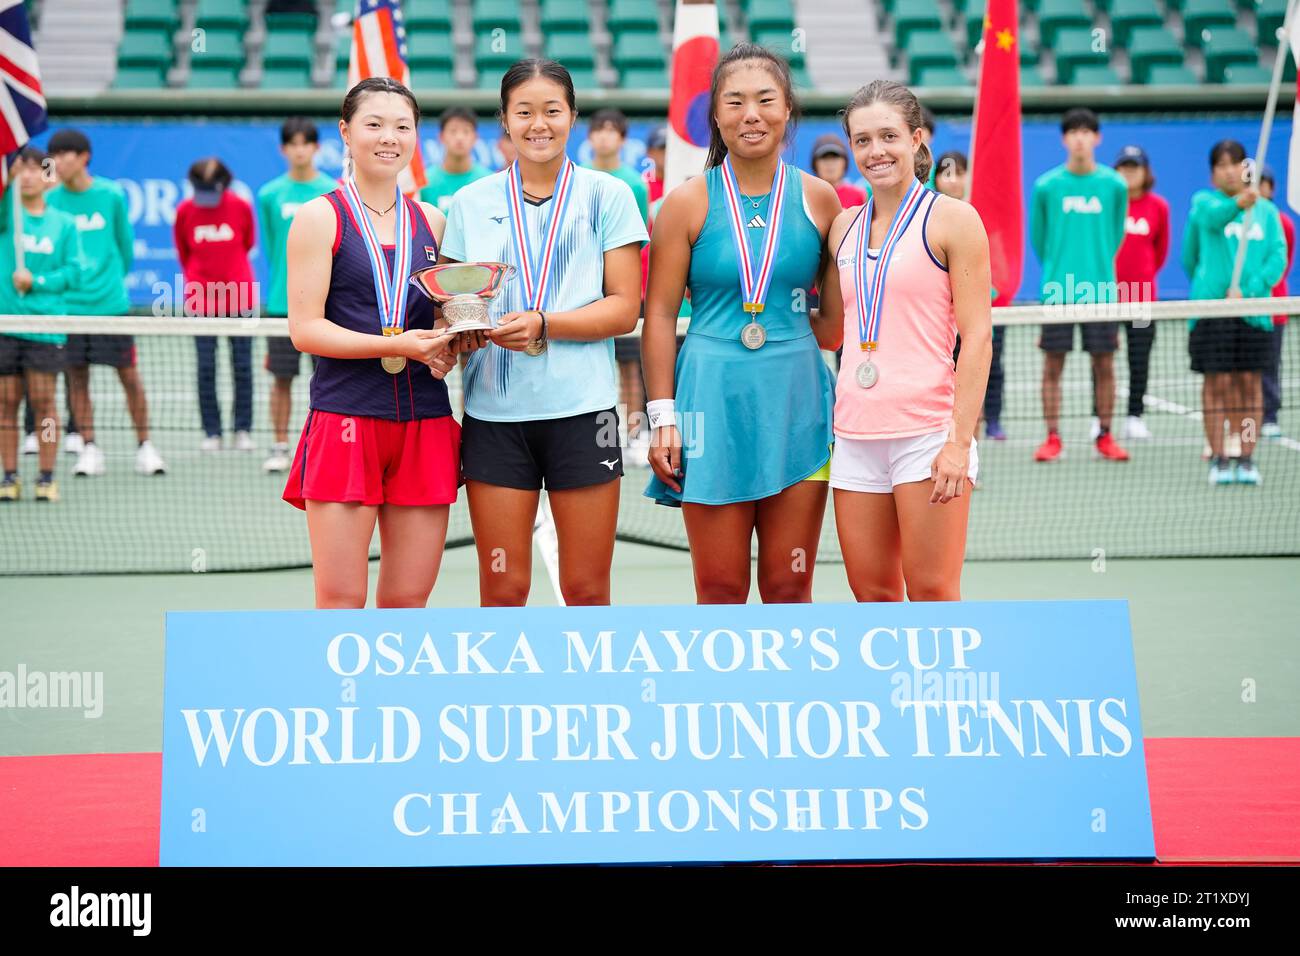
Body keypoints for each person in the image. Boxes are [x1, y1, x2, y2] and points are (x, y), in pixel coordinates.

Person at [440, 59, 647, 607]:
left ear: (572, 117)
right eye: (524, 112)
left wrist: (545, 324)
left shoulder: (610, 195)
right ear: (504, 122)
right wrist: (457, 333)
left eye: (552, 111)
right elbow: (454, 307)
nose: (539, 124)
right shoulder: (468, 204)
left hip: (587, 415)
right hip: (494, 420)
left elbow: (625, 309)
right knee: (504, 588)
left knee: (585, 588)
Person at [643, 43, 841, 604]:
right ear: (715, 116)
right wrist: (662, 418)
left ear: (787, 111)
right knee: (720, 586)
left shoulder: (822, 201)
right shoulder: (684, 204)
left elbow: (831, 331)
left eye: (765, 100)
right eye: (734, 102)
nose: (750, 114)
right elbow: (657, 314)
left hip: (798, 401)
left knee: (789, 584)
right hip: (709, 401)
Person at [282, 77, 461, 608]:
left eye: (402, 126)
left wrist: (458, 340)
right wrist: (403, 345)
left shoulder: (433, 221)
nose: (390, 137)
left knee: (407, 604)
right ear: (345, 132)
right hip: (346, 421)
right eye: (374, 124)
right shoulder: (319, 217)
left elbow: (441, 320)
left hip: (425, 423)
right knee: (339, 602)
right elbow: (305, 330)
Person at [817, 82, 991, 601]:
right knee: (873, 597)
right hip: (854, 437)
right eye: (863, 140)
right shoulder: (843, 227)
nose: (876, 152)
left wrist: (958, 443)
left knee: (933, 592)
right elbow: (830, 326)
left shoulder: (956, 220)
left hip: (927, 436)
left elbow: (978, 336)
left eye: (889, 136)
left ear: (916, 139)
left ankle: (942, 688)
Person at [45, 129, 166, 477]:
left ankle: (145, 446)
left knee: (129, 377)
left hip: (110, 306)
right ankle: (89, 446)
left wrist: (107, 283)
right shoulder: (51, 200)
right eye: (54, 155)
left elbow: (124, 247)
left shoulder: (110, 195)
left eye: (65, 154)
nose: (58, 162)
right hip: (69, 309)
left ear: (83, 157)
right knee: (76, 380)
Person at [1183, 139, 1287, 486]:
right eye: (1221, 165)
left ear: (1246, 168)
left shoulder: (1267, 212)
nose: (1229, 171)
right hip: (1212, 313)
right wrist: (1212, 287)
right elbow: (1191, 254)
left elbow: (1277, 258)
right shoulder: (1203, 203)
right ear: (1213, 173)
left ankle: (1245, 456)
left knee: (1248, 386)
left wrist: (1251, 288)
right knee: (1217, 384)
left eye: (1234, 164)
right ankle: (1218, 457)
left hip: (1253, 312)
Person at [1031, 107, 1130, 463]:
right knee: (1052, 366)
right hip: (1058, 291)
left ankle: (1105, 435)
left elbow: (1115, 235)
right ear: (1064, 139)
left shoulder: (1115, 185)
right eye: (1073, 132)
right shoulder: (1046, 186)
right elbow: (1040, 240)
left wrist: (1096, 267)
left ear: (1097, 138)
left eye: (1087, 132)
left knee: (1104, 365)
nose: (1080, 138)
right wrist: (1063, 271)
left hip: (1101, 291)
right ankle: (1052, 437)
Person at [0, 148, 85, 503]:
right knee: (6, 403)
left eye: (37, 169)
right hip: (7, 325)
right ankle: (9, 476)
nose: (30, 176)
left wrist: (36, 282)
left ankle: (46, 476)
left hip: (45, 327)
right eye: (22, 169)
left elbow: (74, 273)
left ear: (47, 176)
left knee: (44, 402)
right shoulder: (5, 216)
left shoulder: (63, 224)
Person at [256, 118, 340, 473]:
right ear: (283, 149)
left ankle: (323, 446)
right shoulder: (268, 195)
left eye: (306, 143)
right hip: (281, 303)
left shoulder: (334, 190)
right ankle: (280, 445)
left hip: (327, 306)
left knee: (328, 381)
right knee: (281, 378)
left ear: (316, 147)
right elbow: (272, 246)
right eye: (293, 143)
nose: (300, 149)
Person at [174, 158, 257, 452]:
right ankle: (212, 431)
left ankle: (243, 429)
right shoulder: (185, 211)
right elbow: (184, 251)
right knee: (206, 367)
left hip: (241, 297)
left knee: (243, 366)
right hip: (201, 300)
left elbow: (247, 242)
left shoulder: (240, 207)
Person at [586, 107, 653, 464]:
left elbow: (634, 241)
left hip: (625, 290)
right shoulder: (579, 179)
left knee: (630, 366)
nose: (605, 136)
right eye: (599, 129)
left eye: (613, 130)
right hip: (584, 293)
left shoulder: (633, 184)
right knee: (592, 361)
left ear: (623, 139)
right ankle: (596, 435)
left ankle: (630, 435)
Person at [937, 148, 1005, 440]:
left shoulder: (981, 213)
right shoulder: (930, 217)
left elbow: (1000, 258)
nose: (953, 180)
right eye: (946, 173)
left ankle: (985, 430)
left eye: (960, 173)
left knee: (985, 370)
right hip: (943, 316)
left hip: (979, 309)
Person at [1109, 144, 1169, 442]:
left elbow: (1160, 251)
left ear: (1146, 172)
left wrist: (1140, 279)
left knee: (1139, 358)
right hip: (1104, 294)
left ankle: (1134, 416)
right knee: (1103, 358)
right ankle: (1100, 420)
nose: (1130, 172)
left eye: (1135, 167)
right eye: (1124, 166)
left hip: (1142, 297)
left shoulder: (1158, 207)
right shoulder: (1107, 202)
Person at [1258, 166, 1292, 440]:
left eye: (1262, 183)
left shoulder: (1284, 223)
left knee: (1270, 364)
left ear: (1271, 188)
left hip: (1273, 308)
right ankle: (1245, 419)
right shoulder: (1236, 220)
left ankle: (1269, 416)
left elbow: (1283, 261)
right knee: (1241, 370)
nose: (1257, 188)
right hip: (1238, 308)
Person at [418, 106, 492, 213]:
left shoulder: (488, 181)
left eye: (466, 131)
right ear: (441, 137)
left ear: (475, 137)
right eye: (453, 131)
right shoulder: (424, 181)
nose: (459, 137)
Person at [811, 133, 866, 209]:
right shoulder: (806, 195)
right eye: (824, 158)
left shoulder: (859, 196)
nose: (830, 164)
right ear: (815, 164)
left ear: (845, 162)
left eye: (835, 158)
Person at [644, 125, 667, 205]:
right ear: (650, 152)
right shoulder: (642, 185)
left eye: (671, 148)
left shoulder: (686, 183)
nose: (667, 153)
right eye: (662, 148)